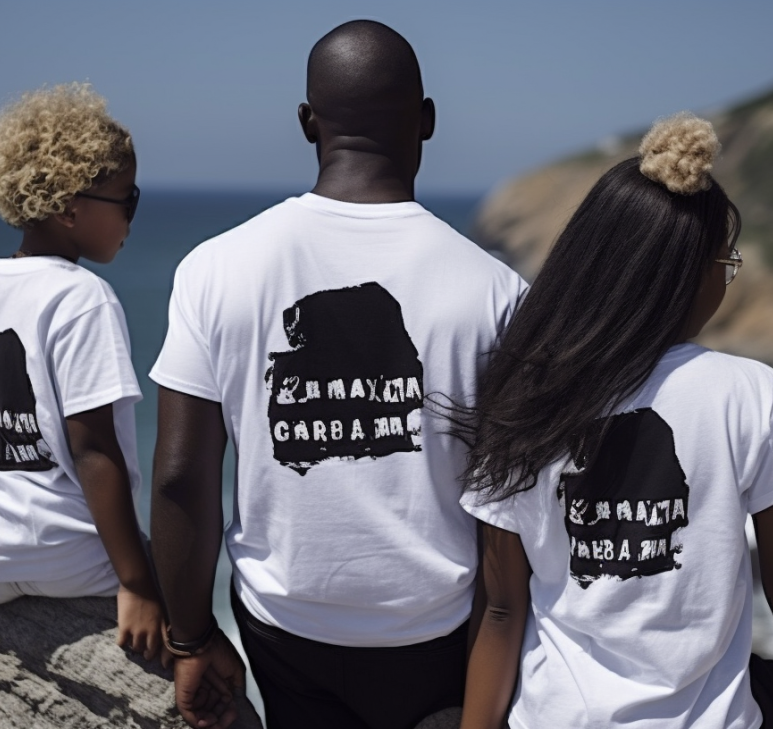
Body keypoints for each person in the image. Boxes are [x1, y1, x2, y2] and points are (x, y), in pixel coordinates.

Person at [147, 20, 527, 729]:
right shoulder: (496, 293)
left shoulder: (214, 269)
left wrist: (190, 639)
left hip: (284, 627)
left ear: (306, 122)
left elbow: (178, 478)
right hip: (435, 631)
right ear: (427, 120)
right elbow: (510, 500)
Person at [456, 113, 773, 729]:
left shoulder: (525, 394)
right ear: (689, 275)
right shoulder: (750, 392)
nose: (727, 280)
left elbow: (502, 609)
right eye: (726, 263)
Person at [0, 83, 163, 661]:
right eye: (127, 200)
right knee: (190, 592)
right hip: (73, 560)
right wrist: (136, 583)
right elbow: (92, 449)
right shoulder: (83, 297)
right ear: (70, 210)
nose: (131, 217)